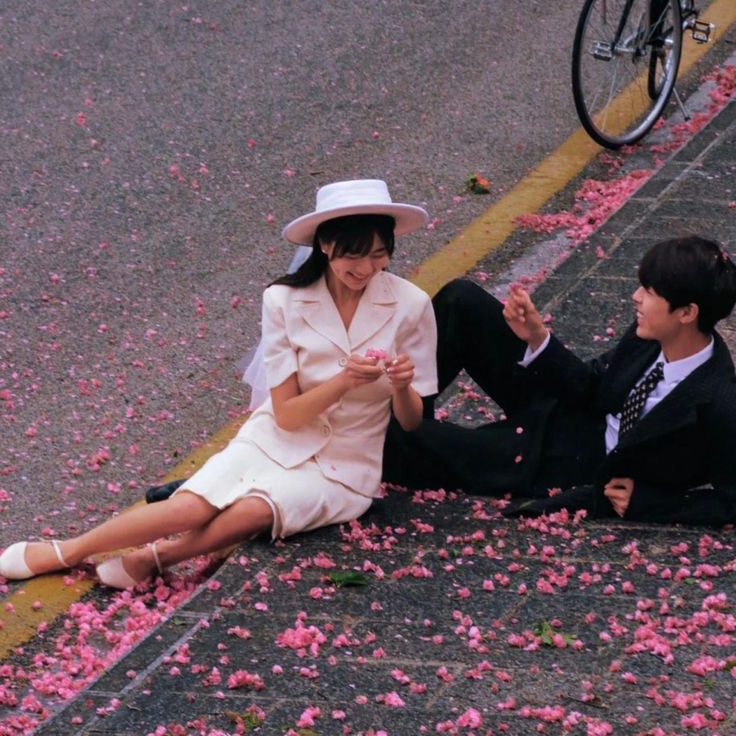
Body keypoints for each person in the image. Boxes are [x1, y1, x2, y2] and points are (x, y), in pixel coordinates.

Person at [0, 180, 437, 587]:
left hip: (347, 465)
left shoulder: (411, 304)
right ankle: (67, 550)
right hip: (276, 438)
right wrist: (344, 381)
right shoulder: (283, 300)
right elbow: (286, 415)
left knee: (255, 509)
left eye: (379, 254)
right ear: (325, 245)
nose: (366, 268)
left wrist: (401, 385)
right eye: (353, 255)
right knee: (189, 506)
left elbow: (413, 421)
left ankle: (157, 558)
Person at [382, 234, 736, 526]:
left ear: (687, 313)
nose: (636, 297)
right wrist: (538, 338)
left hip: (563, 461)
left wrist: (650, 502)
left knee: (393, 442)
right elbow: (595, 387)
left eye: (649, 291)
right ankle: (413, 412)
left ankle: (399, 432)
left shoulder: (718, 402)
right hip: (568, 409)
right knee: (461, 302)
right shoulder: (649, 335)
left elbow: (729, 501)